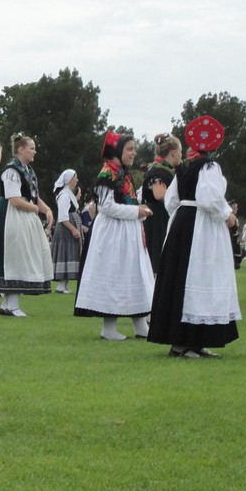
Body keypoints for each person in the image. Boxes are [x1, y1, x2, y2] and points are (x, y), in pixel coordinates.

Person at [148, 115, 240, 358]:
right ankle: (185, 343)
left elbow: (171, 201)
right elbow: (209, 199)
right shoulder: (209, 167)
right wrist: (227, 215)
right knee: (199, 277)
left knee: (181, 279)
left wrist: (181, 219)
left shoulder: (183, 167)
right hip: (201, 228)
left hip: (182, 223)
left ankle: (192, 341)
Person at [74, 131, 154, 340]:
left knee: (135, 274)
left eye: (134, 149)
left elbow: (125, 201)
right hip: (113, 233)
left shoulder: (122, 172)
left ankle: (140, 324)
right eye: (129, 149)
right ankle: (108, 328)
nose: (134, 153)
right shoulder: (107, 174)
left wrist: (139, 211)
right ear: (118, 151)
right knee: (114, 275)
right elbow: (106, 207)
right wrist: (136, 211)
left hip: (128, 231)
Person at [0, 134, 54, 316]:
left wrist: (47, 210)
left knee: (21, 256)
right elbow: (14, 199)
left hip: (24, 215)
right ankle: (11, 305)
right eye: (32, 148)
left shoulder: (28, 170)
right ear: (21, 149)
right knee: (15, 257)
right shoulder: (11, 171)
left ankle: (8, 304)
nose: (35, 152)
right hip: (11, 217)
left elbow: (33, 196)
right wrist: (35, 209)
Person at [142, 133, 183, 273]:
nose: (181, 155)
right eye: (180, 151)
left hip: (160, 216)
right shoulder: (158, 171)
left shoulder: (164, 170)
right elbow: (159, 195)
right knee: (158, 258)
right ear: (173, 153)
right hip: (157, 219)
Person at [50, 169, 82, 293]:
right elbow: (63, 217)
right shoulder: (64, 195)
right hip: (65, 229)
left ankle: (64, 285)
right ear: (69, 180)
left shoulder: (68, 194)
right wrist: (73, 229)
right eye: (75, 177)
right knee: (65, 253)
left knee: (69, 253)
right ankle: (61, 286)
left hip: (68, 228)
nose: (77, 180)